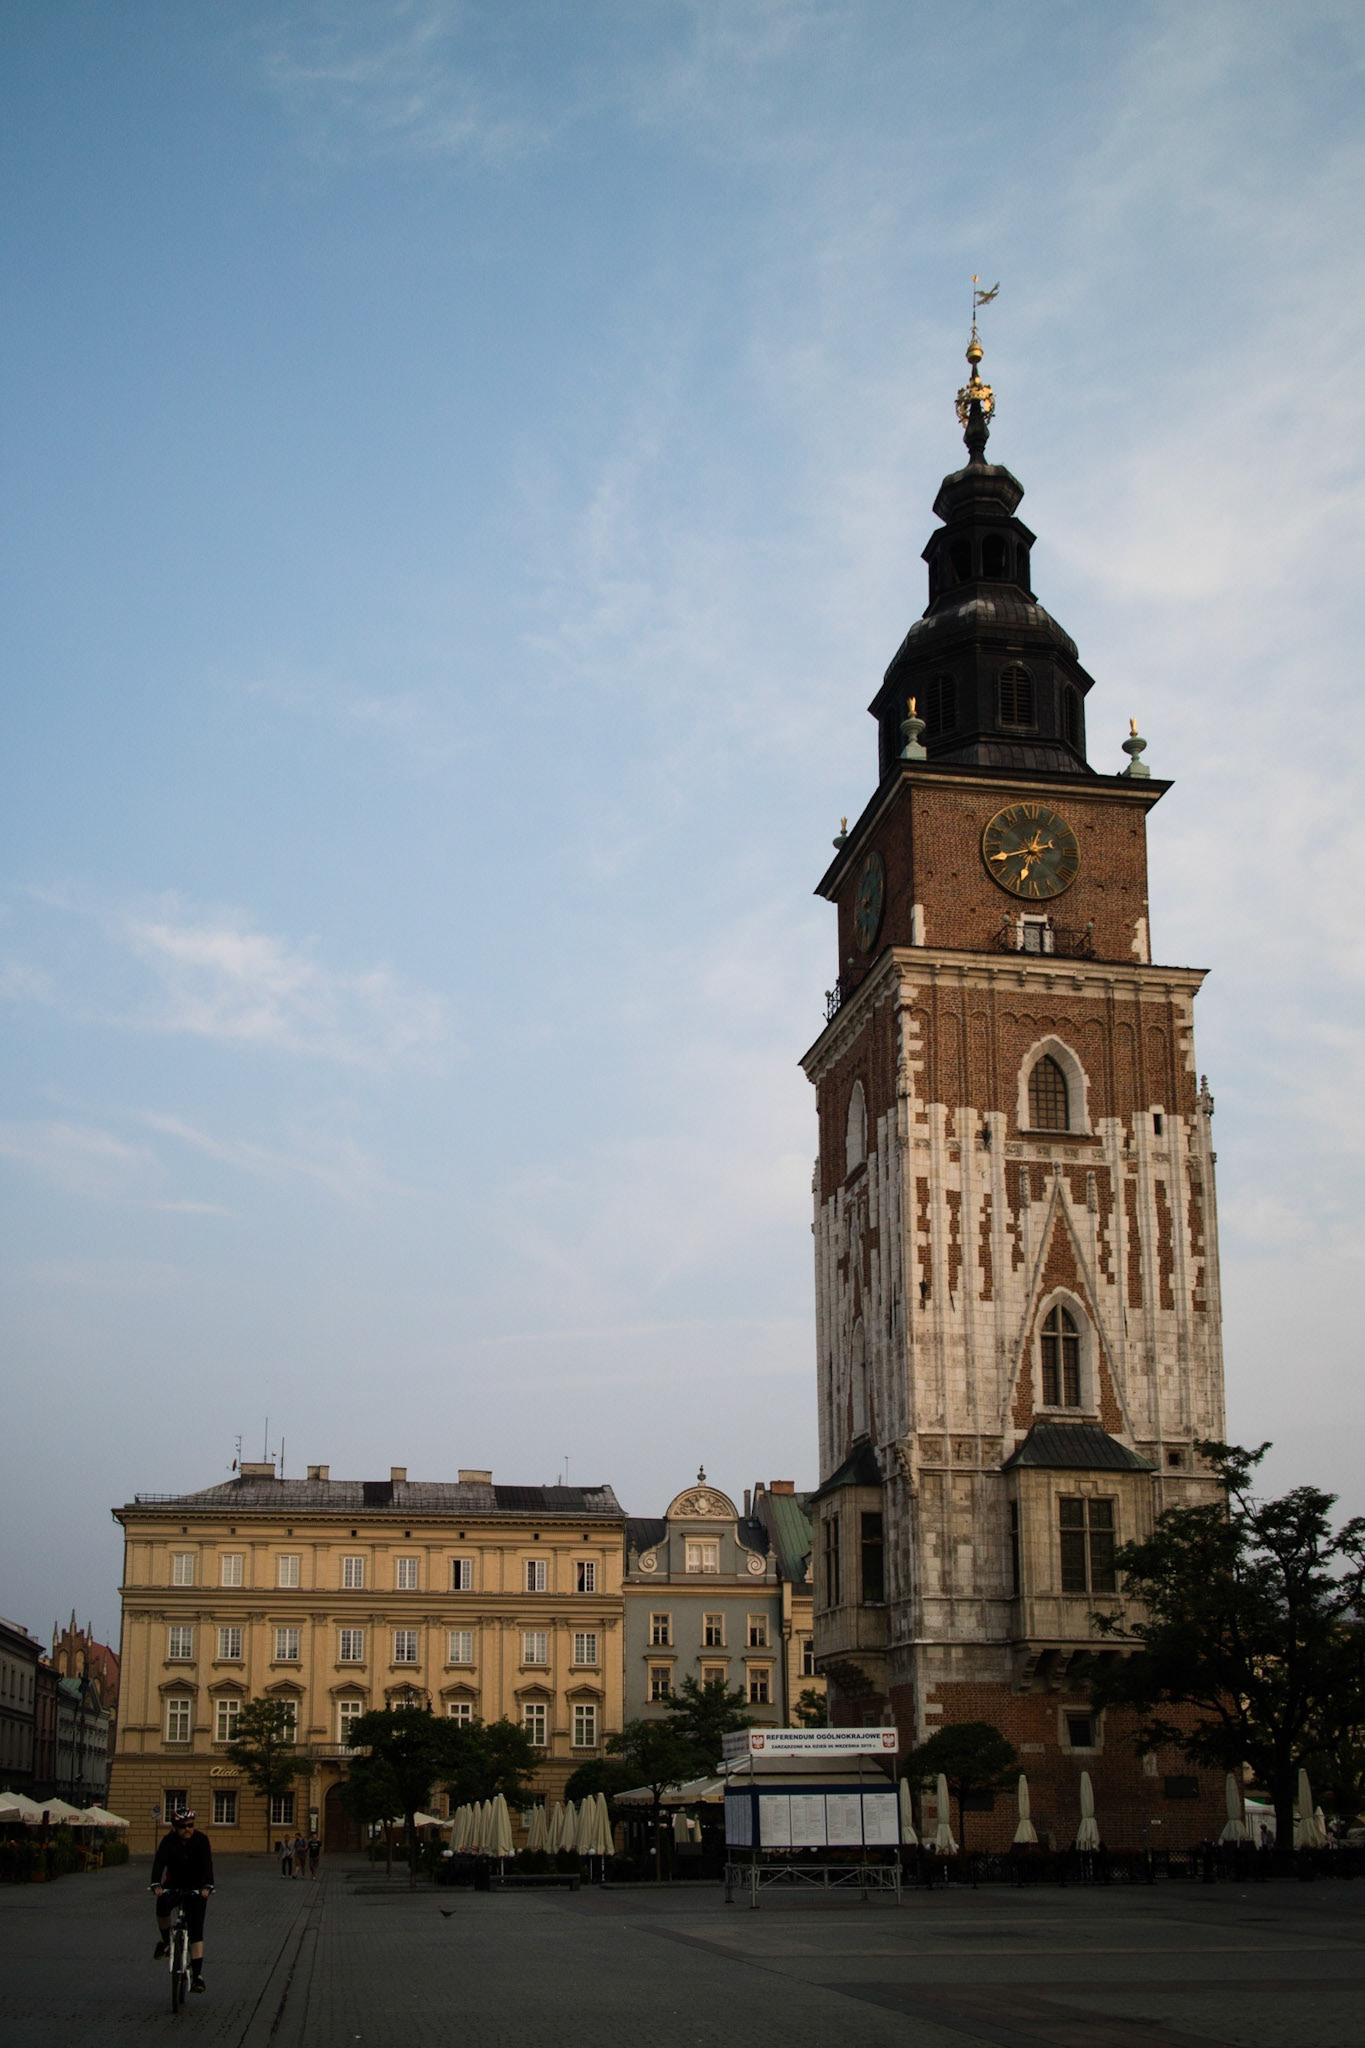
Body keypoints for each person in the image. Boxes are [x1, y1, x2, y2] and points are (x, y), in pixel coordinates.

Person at [151, 1809, 214, 1994]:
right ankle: (165, 1942)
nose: (187, 1829)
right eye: (183, 1826)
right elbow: (159, 1863)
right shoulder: (168, 1841)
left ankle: (197, 1976)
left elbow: (207, 1865)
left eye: (190, 1825)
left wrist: (208, 1885)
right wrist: (155, 1882)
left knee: (196, 1930)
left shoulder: (201, 1840)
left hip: (197, 1888)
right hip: (174, 1885)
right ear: (174, 1827)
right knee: (161, 1905)